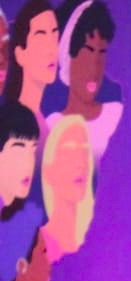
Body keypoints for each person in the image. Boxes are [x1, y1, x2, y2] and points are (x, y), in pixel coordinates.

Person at [41, 0, 124, 162]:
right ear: (67, 54)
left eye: (102, 52)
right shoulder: (49, 126)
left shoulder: (116, 114)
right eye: (89, 51)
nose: (95, 66)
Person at [39, 113, 92, 260]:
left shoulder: (97, 239)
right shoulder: (36, 246)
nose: (80, 163)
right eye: (68, 152)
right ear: (49, 172)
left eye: (84, 152)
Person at [3, 1, 59, 127]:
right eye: (41, 39)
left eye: (55, 37)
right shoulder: (13, 122)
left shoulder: (40, 122)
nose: (52, 50)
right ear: (20, 54)